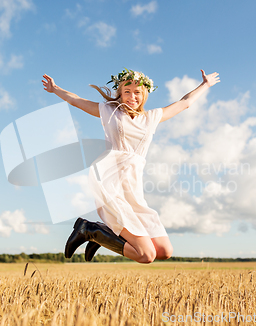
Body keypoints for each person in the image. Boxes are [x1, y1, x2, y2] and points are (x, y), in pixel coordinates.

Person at [42, 68, 220, 263]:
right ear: (120, 93)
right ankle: (92, 231)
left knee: (163, 251)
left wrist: (205, 85)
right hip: (110, 179)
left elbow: (184, 103)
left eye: (137, 92)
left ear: (144, 95)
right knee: (146, 255)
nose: (132, 96)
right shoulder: (109, 111)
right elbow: (76, 100)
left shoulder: (151, 118)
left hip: (133, 185)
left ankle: (104, 233)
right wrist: (55, 89)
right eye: (127, 91)